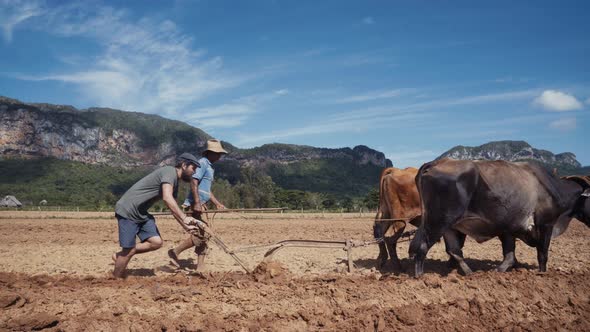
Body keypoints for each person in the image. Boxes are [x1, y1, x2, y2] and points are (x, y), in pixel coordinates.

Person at [112, 153, 205, 278]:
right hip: (128, 210)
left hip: (141, 212)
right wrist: (184, 218)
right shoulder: (169, 172)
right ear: (184, 165)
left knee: (156, 242)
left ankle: (121, 255)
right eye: (193, 168)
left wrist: (186, 226)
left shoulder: (175, 182)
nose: (194, 172)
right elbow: (167, 198)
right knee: (129, 251)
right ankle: (115, 279)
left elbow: (172, 207)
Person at [168, 139, 228, 270]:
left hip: (202, 204)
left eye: (220, 154)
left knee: (205, 234)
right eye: (217, 153)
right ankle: (175, 252)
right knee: (203, 233)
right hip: (196, 205)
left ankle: (200, 266)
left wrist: (218, 204)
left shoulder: (210, 167)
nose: (219, 156)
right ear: (210, 153)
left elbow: (207, 190)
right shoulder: (202, 163)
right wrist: (197, 203)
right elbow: (194, 182)